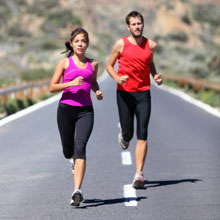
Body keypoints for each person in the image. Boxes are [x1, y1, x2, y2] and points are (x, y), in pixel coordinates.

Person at [106, 11, 162, 189]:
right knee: (129, 133)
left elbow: (150, 62)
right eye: (134, 24)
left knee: (143, 133)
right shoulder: (120, 44)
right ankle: (124, 134)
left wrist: (155, 76)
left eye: (140, 23)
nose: (137, 26)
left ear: (143, 25)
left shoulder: (151, 45)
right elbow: (109, 65)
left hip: (143, 93)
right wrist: (116, 77)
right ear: (128, 27)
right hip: (124, 94)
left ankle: (139, 174)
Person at [49, 27, 103, 206]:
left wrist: (97, 90)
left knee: (80, 148)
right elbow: (52, 87)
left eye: (84, 41)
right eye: (77, 41)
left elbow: (92, 81)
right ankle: (71, 160)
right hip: (65, 110)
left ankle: (77, 191)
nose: (81, 44)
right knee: (68, 150)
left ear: (87, 44)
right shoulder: (64, 63)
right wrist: (70, 83)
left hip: (85, 111)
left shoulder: (93, 64)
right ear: (71, 44)